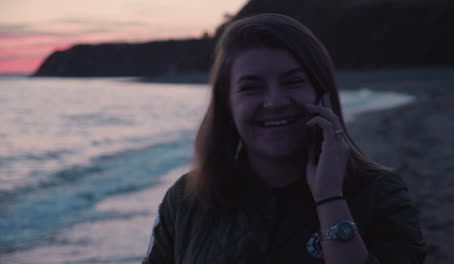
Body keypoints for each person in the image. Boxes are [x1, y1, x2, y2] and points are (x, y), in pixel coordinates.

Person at [143, 14, 426, 264]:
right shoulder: (185, 200)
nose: (275, 102)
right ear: (226, 106)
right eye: (251, 87)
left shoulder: (381, 195)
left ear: (322, 94)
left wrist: (329, 198)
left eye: (293, 82)